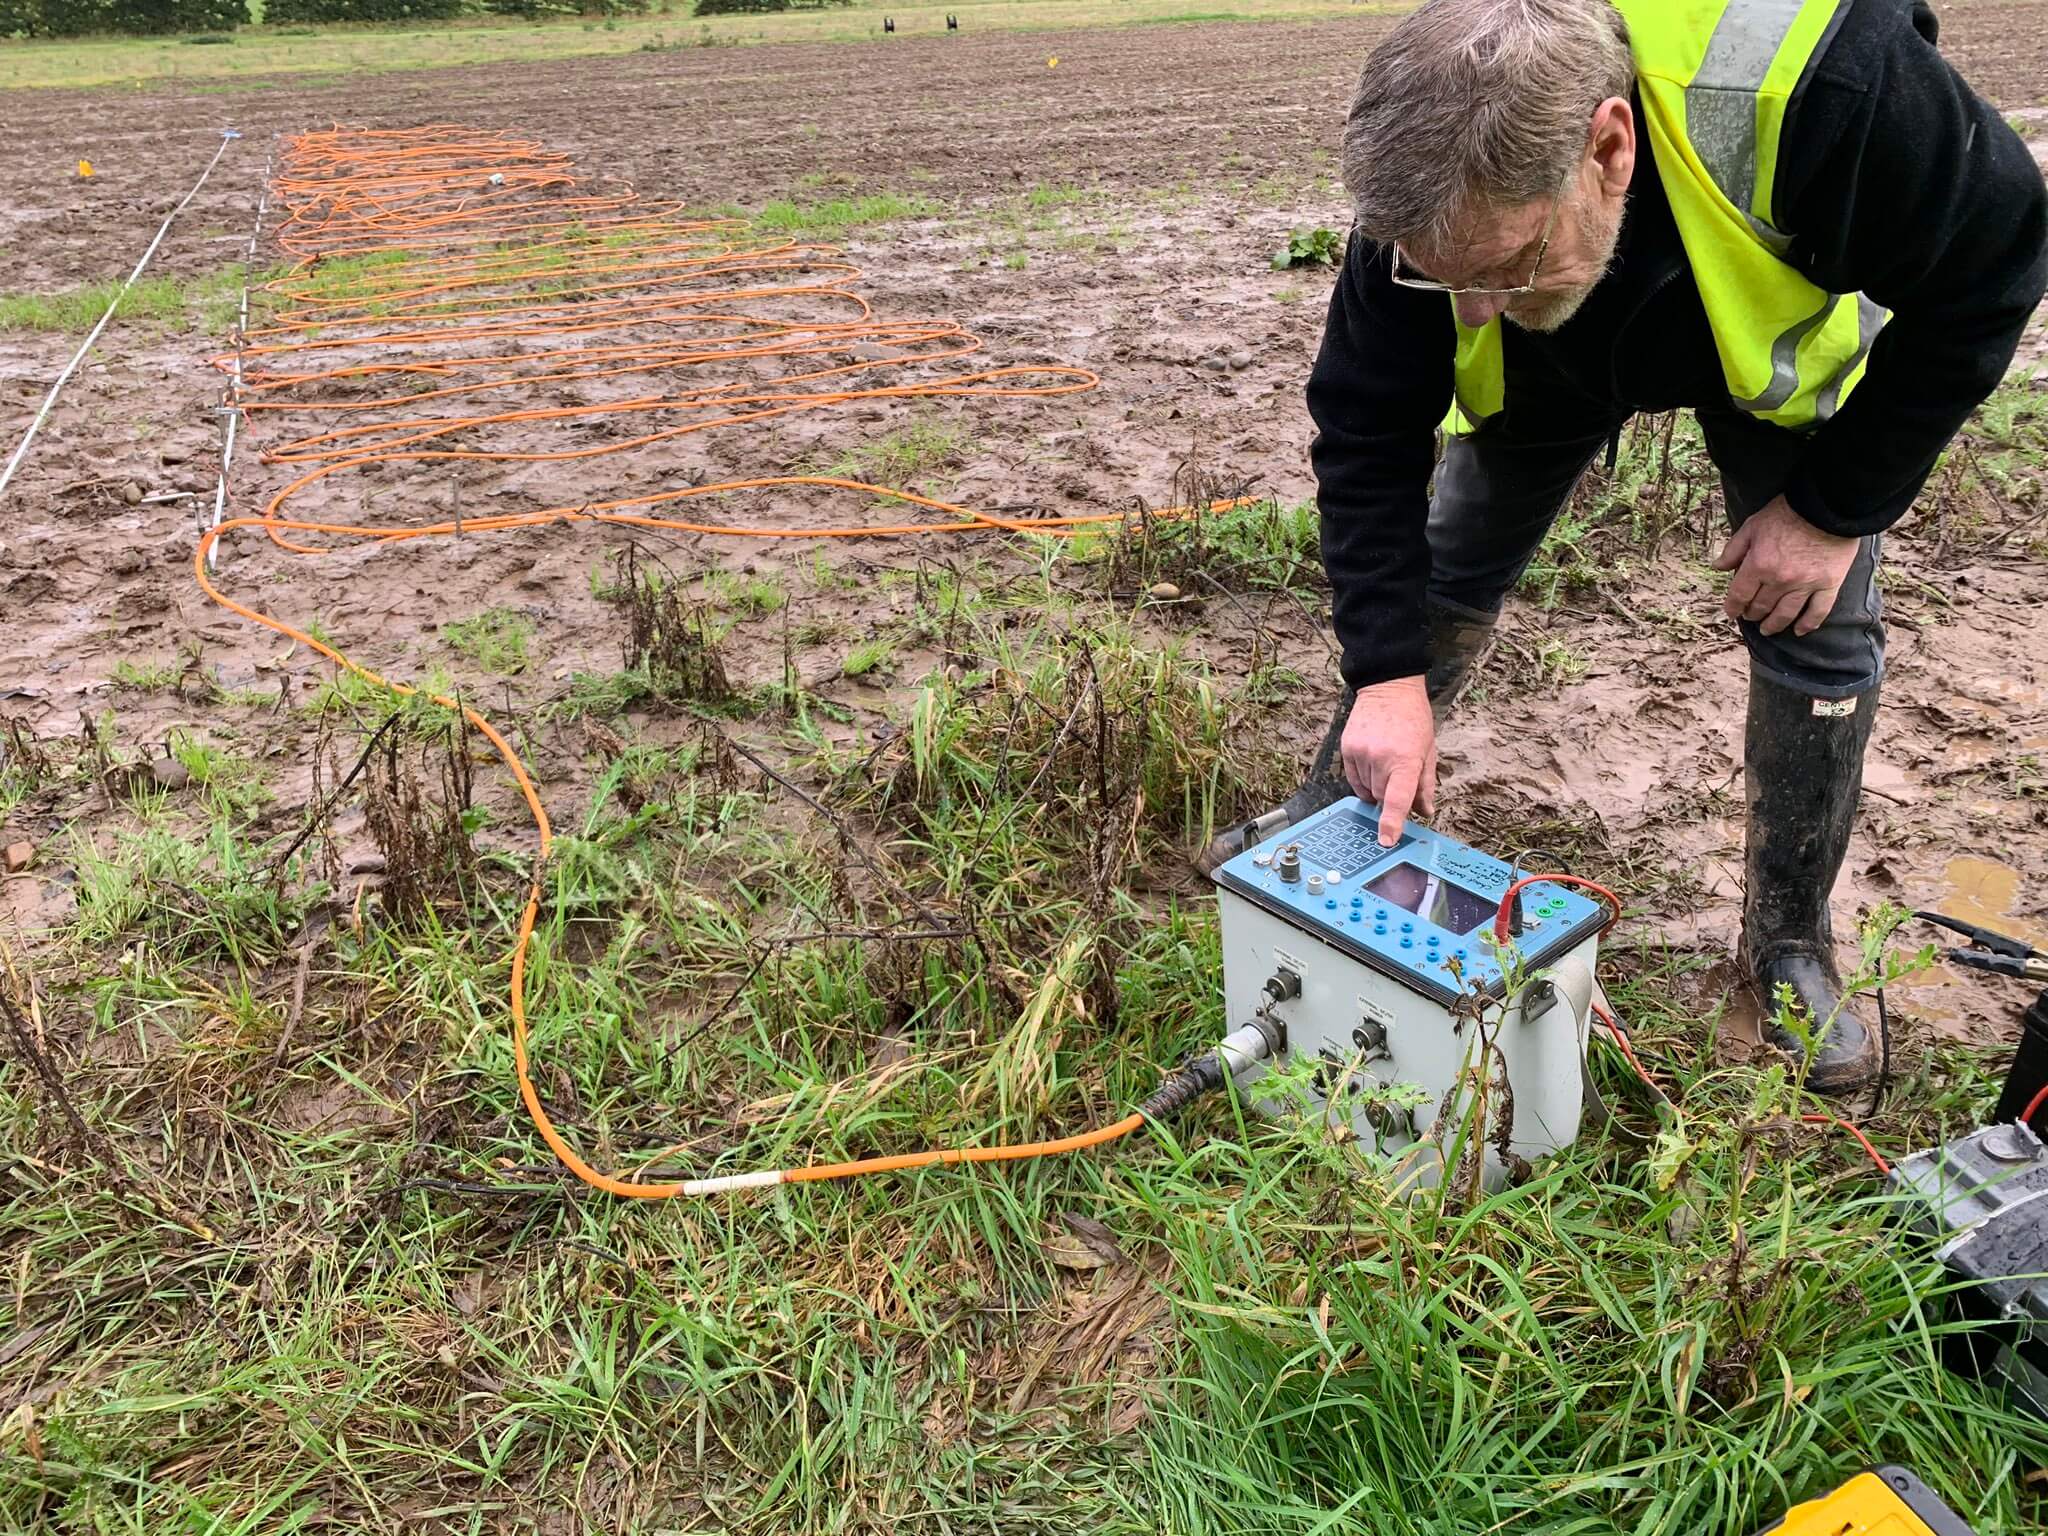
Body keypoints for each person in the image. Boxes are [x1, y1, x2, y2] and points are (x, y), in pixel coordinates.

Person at [1202, 0, 2048, 1092]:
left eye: (1499, 265)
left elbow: (1990, 262)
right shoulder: (1441, 178)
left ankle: (1788, 946)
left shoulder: (1828, 91)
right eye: (1436, 277)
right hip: (1556, 369)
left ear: (1607, 145)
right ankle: (1335, 819)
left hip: (1759, 340)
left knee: (1814, 626)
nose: (1467, 311)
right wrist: (1384, 674)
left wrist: (1832, 511)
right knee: (1447, 568)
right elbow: (1365, 430)